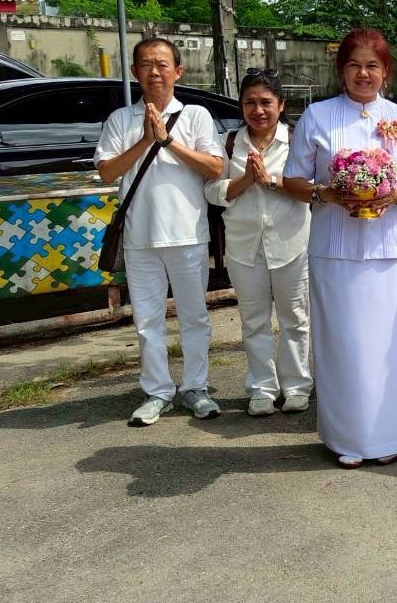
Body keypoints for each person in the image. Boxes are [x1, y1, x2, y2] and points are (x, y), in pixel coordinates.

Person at [284, 27, 397, 467]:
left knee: (387, 346)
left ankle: (387, 438)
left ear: (386, 72)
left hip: (390, 252)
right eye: (354, 65)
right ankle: (345, 438)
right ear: (341, 70)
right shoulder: (317, 115)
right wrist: (325, 193)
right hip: (335, 249)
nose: (363, 74)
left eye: (372, 65)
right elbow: (292, 180)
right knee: (342, 344)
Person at [96, 38, 224, 426]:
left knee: (194, 315)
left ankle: (195, 387)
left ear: (178, 71)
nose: (155, 71)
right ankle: (157, 391)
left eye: (163, 64)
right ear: (134, 72)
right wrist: (146, 141)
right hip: (140, 236)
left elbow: (215, 168)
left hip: (187, 233)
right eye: (146, 64)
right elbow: (107, 172)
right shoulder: (121, 119)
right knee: (148, 320)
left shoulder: (197, 115)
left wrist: (168, 142)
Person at [204, 68, 312, 417]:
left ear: (281, 104)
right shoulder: (229, 143)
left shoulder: (298, 140)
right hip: (244, 245)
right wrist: (245, 180)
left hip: (291, 242)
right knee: (253, 319)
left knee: (295, 318)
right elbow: (213, 191)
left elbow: (312, 189)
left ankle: (297, 386)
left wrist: (269, 181)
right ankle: (263, 388)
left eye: (266, 102)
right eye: (250, 102)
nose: (258, 110)